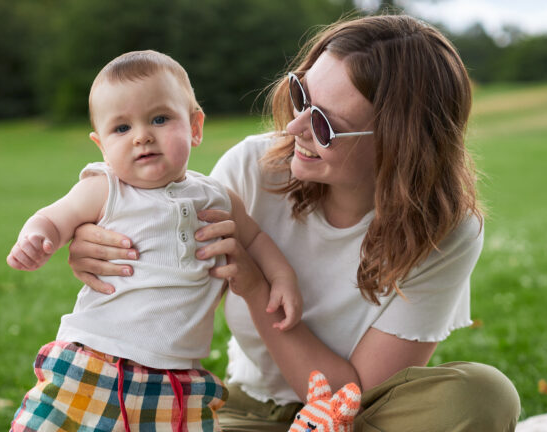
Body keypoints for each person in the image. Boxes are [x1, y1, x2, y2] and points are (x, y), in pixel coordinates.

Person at [68, 15, 521, 432]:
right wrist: (95, 239)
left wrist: (255, 283)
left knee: (481, 395)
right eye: (301, 96)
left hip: (356, 416)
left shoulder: (447, 230)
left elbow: (350, 397)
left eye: (326, 124)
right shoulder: (251, 169)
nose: (295, 127)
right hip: (247, 409)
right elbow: (152, 242)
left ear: (399, 144)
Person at [7, 50, 300, 432]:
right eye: (122, 128)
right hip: (98, 361)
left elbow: (256, 239)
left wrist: (282, 277)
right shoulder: (105, 188)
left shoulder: (217, 196)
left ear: (195, 126)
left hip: (176, 379)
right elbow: (53, 217)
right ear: (102, 146)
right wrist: (37, 237)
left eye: (160, 119)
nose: (142, 135)